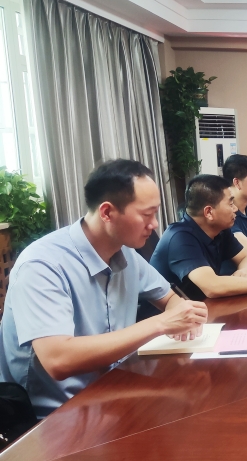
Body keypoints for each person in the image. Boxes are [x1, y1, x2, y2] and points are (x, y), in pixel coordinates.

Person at [0, 160, 208, 418]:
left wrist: (183, 317)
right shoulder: (42, 265)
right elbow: (58, 360)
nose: (155, 224)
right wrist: (161, 324)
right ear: (107, 212)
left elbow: (169, 299)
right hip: (54, 418)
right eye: (147, 215)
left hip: (113, 395)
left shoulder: (126, 254)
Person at [150, 174, 247, 300]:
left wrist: (244, 273)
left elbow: (246, 258)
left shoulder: (220, 230)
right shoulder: (180, 238)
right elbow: (212, 287)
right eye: (230, 203)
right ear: (209, 212)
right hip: (167, 320)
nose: (235, 208)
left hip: (202, 308)